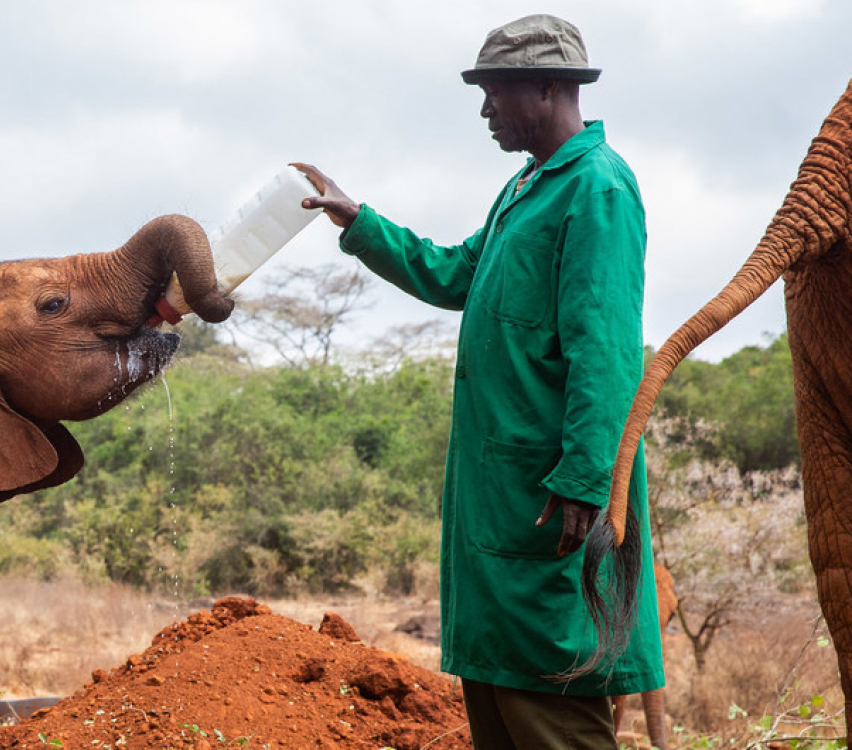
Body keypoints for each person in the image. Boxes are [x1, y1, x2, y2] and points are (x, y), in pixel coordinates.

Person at [296, 14, 664, 748]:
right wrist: (358, 219)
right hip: (501, 503)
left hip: (554, 501)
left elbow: (607, 351)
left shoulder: (596, 188)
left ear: (550, 88)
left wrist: (588, 481)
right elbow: (457, 273)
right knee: (501, 698)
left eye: (497, 92)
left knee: (556, 700)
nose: (485, 109)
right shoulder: (527, 186)